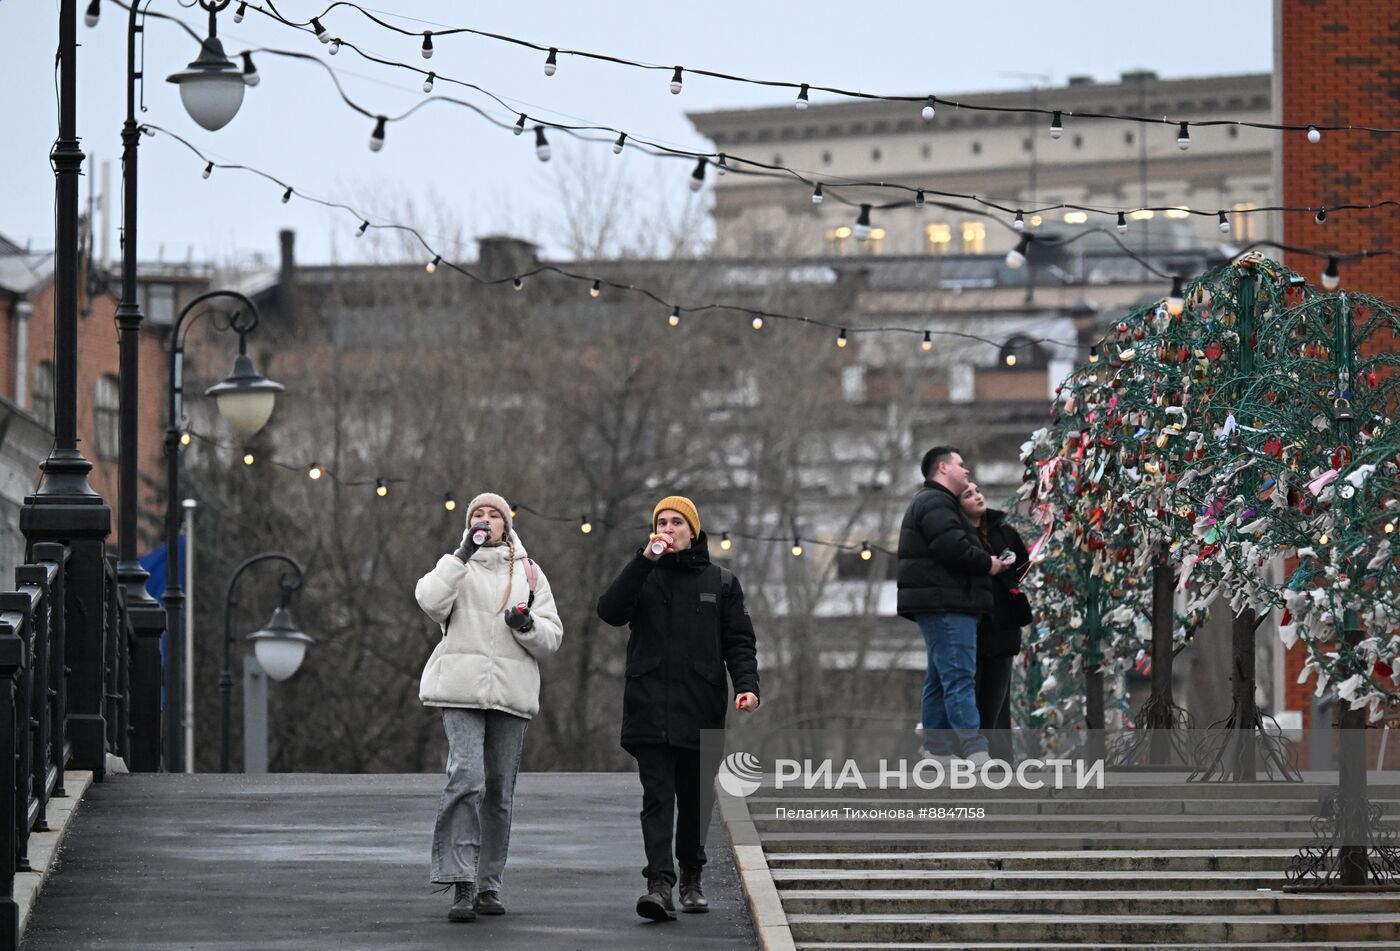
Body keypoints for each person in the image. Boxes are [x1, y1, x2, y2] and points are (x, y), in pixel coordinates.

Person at [597, 496, 760, 922]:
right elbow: (610, 612)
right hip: (648, 705)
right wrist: (642, 561)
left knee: (695, 798)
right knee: (657, 797)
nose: (668, 529)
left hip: (701, 705)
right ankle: (660, 885)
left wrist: (747, 686)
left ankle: (691, 876)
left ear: (693, 530)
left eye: (676, 522)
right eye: (661, 522)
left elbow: (740, 641)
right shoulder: (643, 576)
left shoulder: (720, 581)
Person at [414, 492, 564, 923]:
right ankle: (460, 882)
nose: (484, 519)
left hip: (510, 694)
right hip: (459, 691)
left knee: (498, 791)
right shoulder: (456, 566)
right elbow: (429, 601)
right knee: (466, 776)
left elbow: (552, 637)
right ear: (468, 524)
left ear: (507, 526)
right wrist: (460, 554)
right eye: (477, 514)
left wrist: (527, 624)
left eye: (493, 515)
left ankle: (487, 885)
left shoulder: (530, 574)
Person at [896, 447, 1012, 764]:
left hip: (943, 602)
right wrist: (987, 563)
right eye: (961, 466)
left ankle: (937, 750)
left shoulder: (936, 504)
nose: (967, 471)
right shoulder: (936, 503)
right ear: (943, 468)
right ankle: (974, 750)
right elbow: (952, 546)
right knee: (960, 676)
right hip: (947, 602)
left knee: (939, 678)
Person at [958, 481, 1031, 763]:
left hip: (1004, 627)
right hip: (973, 626)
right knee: (973, 696)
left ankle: (1001, 763)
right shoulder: (959, 538)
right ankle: (976, 758)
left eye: (977, 491)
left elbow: (1023, 565)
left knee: (998, 701)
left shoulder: (1004, 531)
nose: (977, 497)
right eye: (968, 494)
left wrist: (1007, 584)